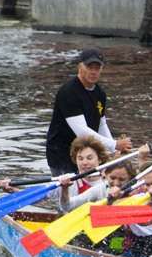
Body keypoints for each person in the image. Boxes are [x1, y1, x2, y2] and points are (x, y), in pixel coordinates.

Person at [45, 48, 133, 176]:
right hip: (61, 153)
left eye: (97, 68)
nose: (93, 72)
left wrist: (112, 150)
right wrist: (114, 144)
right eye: (89, 67)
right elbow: (81, 130)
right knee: (69, 192)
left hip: (86, 154)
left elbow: (101, 123)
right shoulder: (68, 92)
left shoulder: (100, 93)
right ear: (79, 67)